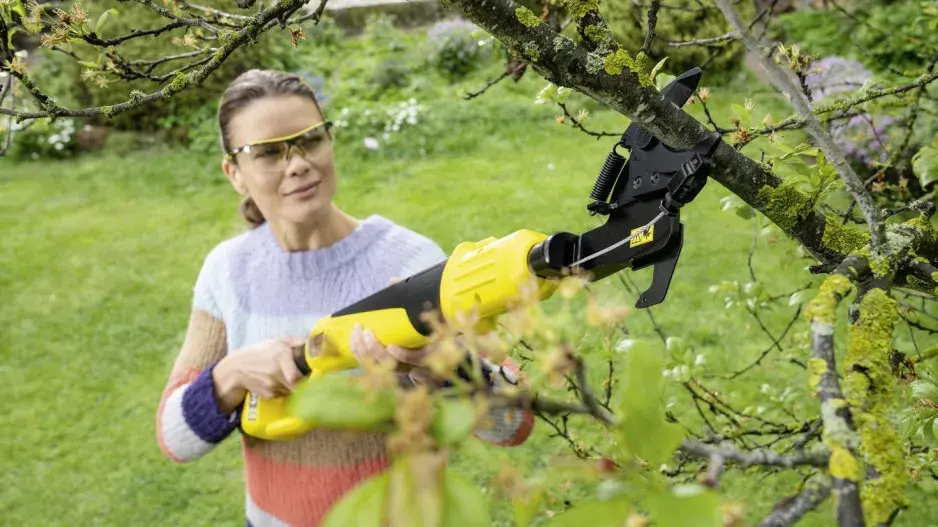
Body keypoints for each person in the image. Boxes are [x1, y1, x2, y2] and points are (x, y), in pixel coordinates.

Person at [155, 69, 534, 527]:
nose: (297, 163)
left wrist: (442, 366)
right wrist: (231, 374)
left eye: (310, 140)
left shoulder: (410, 262)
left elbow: (515, 424)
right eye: (269, 152)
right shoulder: (227, 271)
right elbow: (174, 438)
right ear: (234, 173)